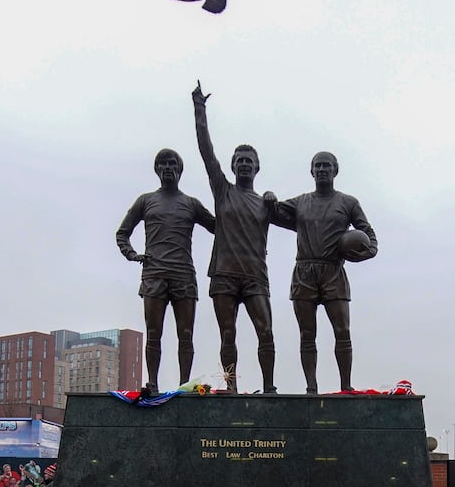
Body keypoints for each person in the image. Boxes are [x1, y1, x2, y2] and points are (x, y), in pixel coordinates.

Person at [192, 82, 278, 393]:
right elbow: (206, 151)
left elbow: (301, 221)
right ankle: (231, 387)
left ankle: (269, 388)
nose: (244, 164)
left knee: (265, 332)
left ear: (257, 167)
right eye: (239, 160)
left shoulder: (267, 204)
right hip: (224, 275)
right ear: (231, 167)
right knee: (227, 335)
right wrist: (199, 109)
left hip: (255, 276)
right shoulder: (223, 191)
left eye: (249, 161)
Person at [271, 151, 377, 393]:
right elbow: (274, 212)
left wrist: (367, 252)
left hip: (333, 272)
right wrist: (269, 199)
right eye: (317, 166)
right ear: (311, 171)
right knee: (307, 334)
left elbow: (369, 235)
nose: (322, 170)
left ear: (335, 170)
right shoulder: (301, 202)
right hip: (304, 272)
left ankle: (345, 386)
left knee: (342, 331)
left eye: (326, 166)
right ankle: (311, 387)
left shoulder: (348, 203)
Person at [115, 147, 216, 395]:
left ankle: (185, 384)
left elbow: (219, 227)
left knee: (186, 334)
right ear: (157, 170)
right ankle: (153, 382)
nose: (168, 168)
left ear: (179, 170)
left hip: (183, 274)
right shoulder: (145, 200)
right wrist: (131, 254)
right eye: (163, 164)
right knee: (154, 333)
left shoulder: (191, 204)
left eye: (172, 164)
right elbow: (122, 233)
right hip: (154, 275)